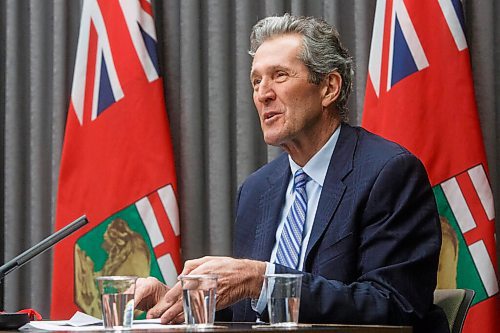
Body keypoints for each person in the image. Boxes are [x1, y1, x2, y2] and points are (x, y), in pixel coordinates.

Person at [134, 14, 449, 332]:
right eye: (256, 81)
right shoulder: (257, 189)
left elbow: (393, 307)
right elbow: (249, 314)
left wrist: (263, 279)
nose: (263, 94)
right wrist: (181, 304)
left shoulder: (388, 172)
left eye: (279, 75)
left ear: (329, 87)